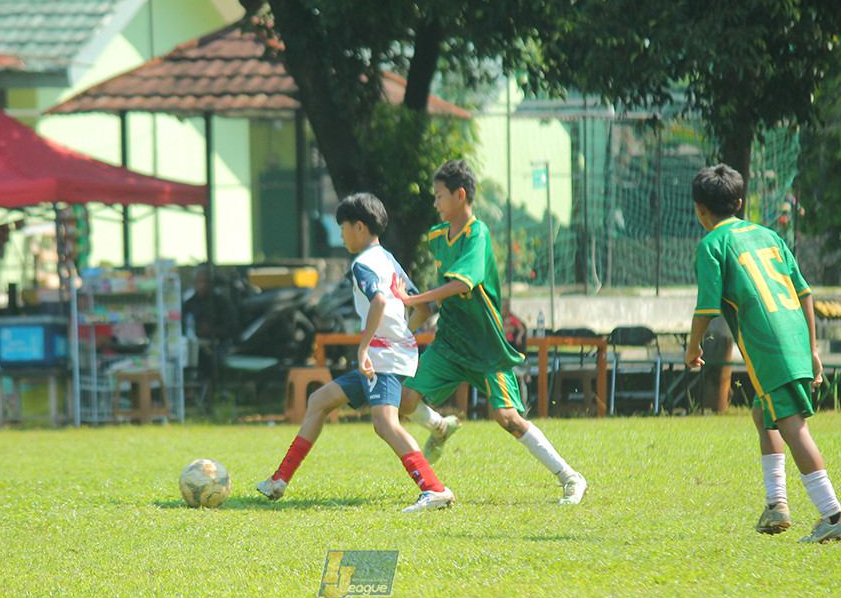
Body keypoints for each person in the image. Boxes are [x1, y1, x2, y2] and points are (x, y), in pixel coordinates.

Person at [392, 159, 588, 505]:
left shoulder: (477, 234)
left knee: (508, 419)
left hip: (484, 348)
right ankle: (441, 427)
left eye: (439, 196)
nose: (435, 203)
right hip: (450, 342)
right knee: (406, 399)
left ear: (460, 195)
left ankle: (570, 477)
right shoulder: (438, 237)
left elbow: (461, 283)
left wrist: (415, 299)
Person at [684, 163, 841, 544]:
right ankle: (776, 505)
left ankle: (833, 515)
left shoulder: (712, 245)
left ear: (699, 209)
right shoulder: (768, 235)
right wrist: (811, 348)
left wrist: (692, 348)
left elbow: (706, 309)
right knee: (764, 414)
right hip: (794, 336)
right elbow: (805, 293)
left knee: (792, 426)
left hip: (768, 348)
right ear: (740, 202)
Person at [256, 192, 455, 512]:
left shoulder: (362, 264)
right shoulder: (389, 259)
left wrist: (365, 348)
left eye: (343, 227)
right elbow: (423, 306)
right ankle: (279, 480)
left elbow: (377, 301)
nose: (341, 234)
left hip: (379, 358)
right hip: (388, 354)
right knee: (318, 401)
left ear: (360, 227)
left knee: (385, 423)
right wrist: (403, 334)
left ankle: (434, 488)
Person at [181, 265, 238, 377]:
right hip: (193, 344)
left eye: (206, 282)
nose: (202, 285)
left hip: (218, 345)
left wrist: (211, 331)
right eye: (199, 281)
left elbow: (232, 328)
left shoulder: (222, 303)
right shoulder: (188, 304)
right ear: (194, 283)